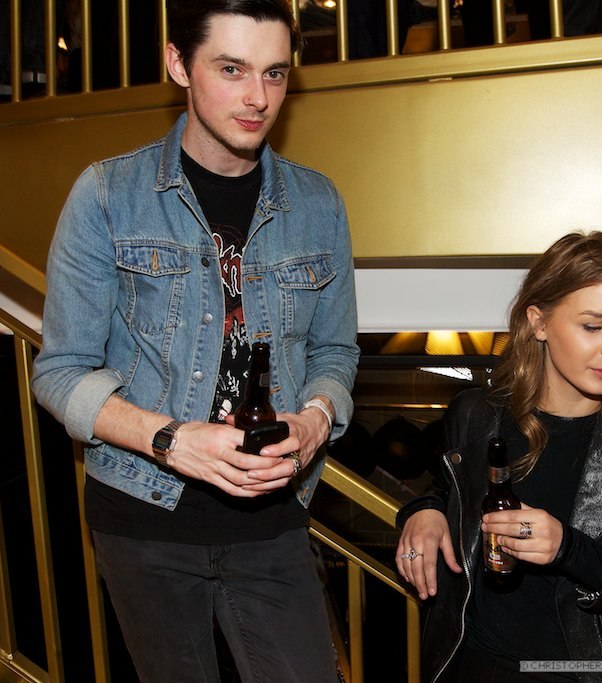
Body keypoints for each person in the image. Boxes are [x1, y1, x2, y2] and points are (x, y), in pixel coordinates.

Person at [30, 0, 359, 680]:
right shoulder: (108, 195)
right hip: (142, 515)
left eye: (275, 73)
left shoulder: (319, 203)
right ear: (179, 64)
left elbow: (335, 353)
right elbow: (60, 373)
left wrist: (316, 420)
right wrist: (171, 440)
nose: (257, 97)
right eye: (232, 69)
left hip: (274, 517)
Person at [395, 231, 602, 681]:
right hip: (476, 666)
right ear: (538, 322)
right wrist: (423, 512)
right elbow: (453, 492)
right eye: (594, 326)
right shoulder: (476, 414)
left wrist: (570, 550)